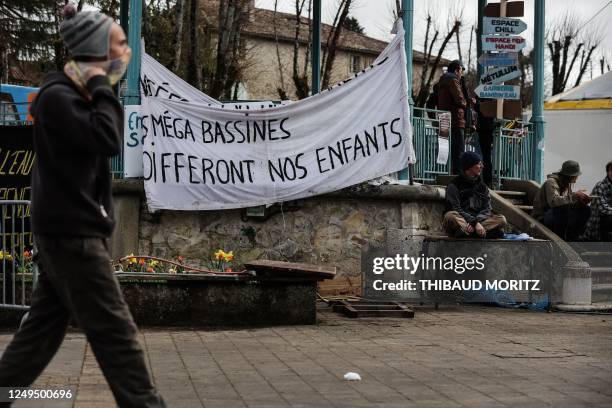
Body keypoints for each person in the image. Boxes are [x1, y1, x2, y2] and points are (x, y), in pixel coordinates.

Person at [0, 5, 166, 408]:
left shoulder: (71, 95)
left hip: (65, 233)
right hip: (72, 236)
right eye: (118, 45)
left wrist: (95, 84)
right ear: (96, 53)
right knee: (116, 334)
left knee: (40, 333)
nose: (125, 54)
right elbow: (107, 139)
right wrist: (102, 85)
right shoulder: (59, 97)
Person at [443, 151, 507, 238]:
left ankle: (469, 233)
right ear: (470, 167)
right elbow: (456, 208)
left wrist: (477, 223)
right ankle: (481, 233)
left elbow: (487, 209)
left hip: (478, 223)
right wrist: (474, 222)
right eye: (479, 164)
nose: (482, 166)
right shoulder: (454, 185)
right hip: (463, 221)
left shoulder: (483, 187)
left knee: (501, 219)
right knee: (450, 216)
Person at [532, 160, 591, 241]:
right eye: (576, 176)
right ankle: (561, 240)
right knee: (562, 209)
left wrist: (580, 202)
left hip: (558, 217)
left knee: (586, 209)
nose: (577, 178)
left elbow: (569, 204)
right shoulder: (551, 182)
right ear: (570, 176)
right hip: (543, 217)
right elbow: (554, 202)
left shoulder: (567, 184)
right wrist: (574, 196)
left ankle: (573, 239)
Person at [436, 60, 467, 175]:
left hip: (443, 119)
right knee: (458, 150)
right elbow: (460, 100)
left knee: (445, 150)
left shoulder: (441, 82)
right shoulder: (453, 80)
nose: (462, 73)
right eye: (461, 70)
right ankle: (458, 176)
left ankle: (443, 174)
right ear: (457, 69)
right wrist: (466, 102)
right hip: (456, 120)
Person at [582, 161, 612, 241]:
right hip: (597, 225)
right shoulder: (600, 186)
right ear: (608, 172)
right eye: (611, 170)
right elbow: (603, 209)